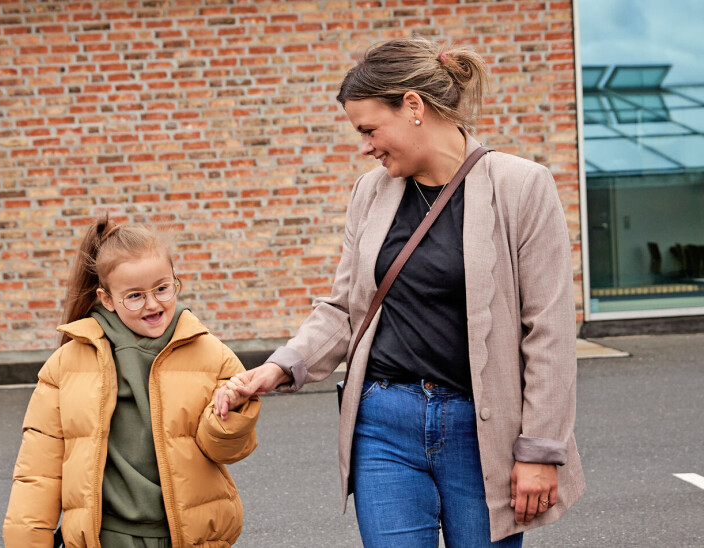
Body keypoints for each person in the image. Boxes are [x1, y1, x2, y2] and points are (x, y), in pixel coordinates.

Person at [228, 38, 585, 547]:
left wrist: (540, 450)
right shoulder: (370, 192)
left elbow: (549, 331)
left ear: (413, 106)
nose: (366, 146)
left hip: (482, 432)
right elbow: (345, 308)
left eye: (369, 129)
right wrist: (280, 366)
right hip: (383, 424)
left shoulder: (521, 186)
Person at [3, 217, 260, 548]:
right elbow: (38, 473)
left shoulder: (213, 355)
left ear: (175, 281)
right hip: (107, 539)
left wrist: (230, 413)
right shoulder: (65, 366)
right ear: (107, 299)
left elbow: (227, 450)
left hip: (189, 538)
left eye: (162, 288)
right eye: (135, 295)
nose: (153, 304)